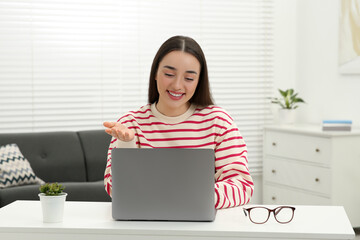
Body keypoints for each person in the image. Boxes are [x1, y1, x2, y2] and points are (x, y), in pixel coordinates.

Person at [103, 35, 254, 209]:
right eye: (169, 74)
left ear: (198, 82)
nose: (177, 85)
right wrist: (126, 144)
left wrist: (197, 197)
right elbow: (115, 190)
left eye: (189, 78)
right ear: (155, 74)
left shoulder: (218, 122)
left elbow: (242, 186)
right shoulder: (130, 124)